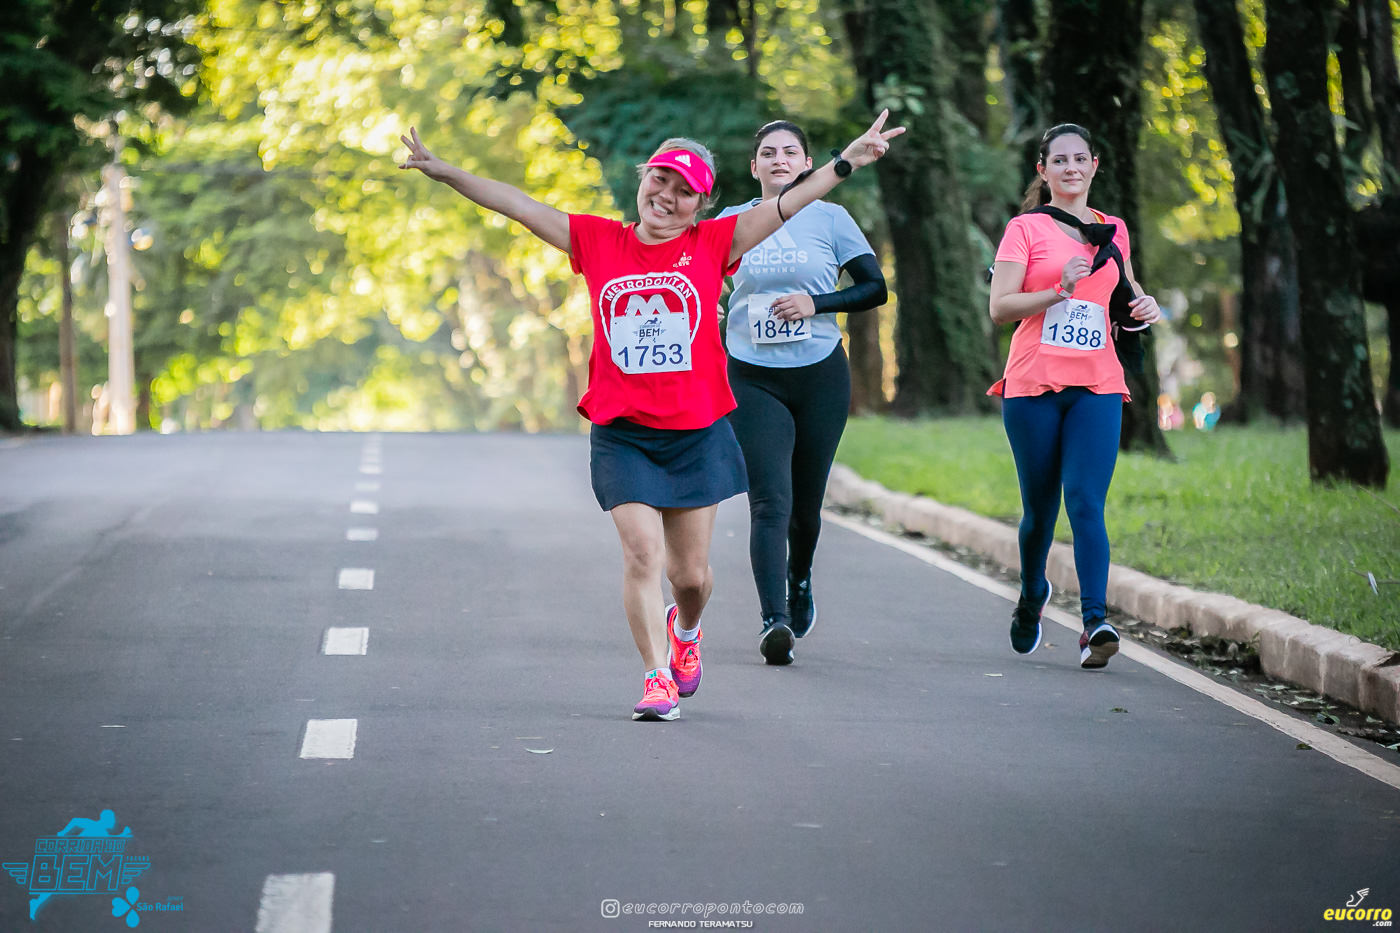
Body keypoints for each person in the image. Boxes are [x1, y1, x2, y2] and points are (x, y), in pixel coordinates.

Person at [399, 112, 904, 719]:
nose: (667, 196)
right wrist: (447, 172)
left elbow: (792, 202)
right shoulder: (598, 241)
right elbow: (519, 205)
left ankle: (686, 631)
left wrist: (846, 162)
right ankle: (656, 676)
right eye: (660, 180)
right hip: (624, 433)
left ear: (701, 205)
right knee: (643, 556)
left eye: (684, 190)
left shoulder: (716, 242)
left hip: (697, 432)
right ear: (643, 181)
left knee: (690, 578)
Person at [987, 122, 1162, 670]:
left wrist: (1144, 309)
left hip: (1098, 383)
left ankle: (1095, 623)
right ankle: (1032, 594)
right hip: (1033, 385)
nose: (1071, 168)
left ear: (1094, 166)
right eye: (1059, 160)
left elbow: (1123, 295)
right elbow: (1000, 307)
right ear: (1043, 171)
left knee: (1086, 500)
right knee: (1040, 511)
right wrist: (1058, 289)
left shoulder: (1114, 230)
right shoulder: (1025, 228)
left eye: (1080, 159)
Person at [717, 120, 889, 665]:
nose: (779, 160)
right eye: (768, 152)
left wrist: (818, 304)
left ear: (807, 163)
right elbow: (694, 278)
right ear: (754, 166)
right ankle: (774, 621)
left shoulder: (830, 217)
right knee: (770, 500)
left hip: (819, 375)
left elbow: (875, 288)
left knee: (806, 507)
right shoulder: (731, 220)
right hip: (751, 376)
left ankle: (801, 577)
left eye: (790, 152)